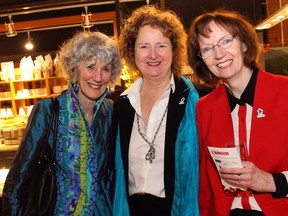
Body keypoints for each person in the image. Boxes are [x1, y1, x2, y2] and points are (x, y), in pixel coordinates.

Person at [2, 31, 121, 215]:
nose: (98, 77)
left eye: (105, 69)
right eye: (90, 67)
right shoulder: (48, 110)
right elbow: (18, 178)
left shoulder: (111, 111)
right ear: (75, 68)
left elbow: (112, 175)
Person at [187, 9, 288, 216]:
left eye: (225, 41)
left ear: (243, 44)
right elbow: (205, 182)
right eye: (207, 49)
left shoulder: (284, 92)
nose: (218, 54)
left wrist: (272, 181)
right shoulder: (205, 107)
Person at [113, 5, 200, 216]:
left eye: (161, 45)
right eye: (144, 46)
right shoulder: (121, 104)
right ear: (132, 52)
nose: (153, 55)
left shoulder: (193, 100)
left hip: (174, 209)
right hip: (131, 210)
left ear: (174, 49)